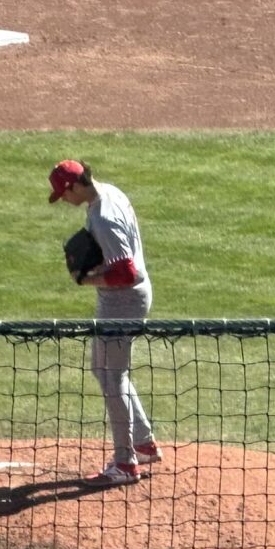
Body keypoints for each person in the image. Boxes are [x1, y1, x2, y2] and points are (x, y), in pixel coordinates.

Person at [48, 159, 162, 488]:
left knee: (113, 377)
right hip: (120, 300)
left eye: (62, 194)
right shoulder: (109, 192)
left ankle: (126, 463)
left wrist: (86, 279)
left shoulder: (103, 217)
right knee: (104, 370)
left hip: (123, 301)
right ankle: (143, 442)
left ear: (74, 187)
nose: (63, 200)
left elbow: (128, 273)